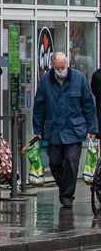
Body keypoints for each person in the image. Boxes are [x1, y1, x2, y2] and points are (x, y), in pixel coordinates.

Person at [32, 52, 96, 209]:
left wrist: (92, 128)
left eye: (63, 67)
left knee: (71, 162)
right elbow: (39, 106)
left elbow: (88, 104)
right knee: (54, 163)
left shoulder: (79, 79)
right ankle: (64, 187)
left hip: (75, 130)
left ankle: (67, 196)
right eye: (58, 68)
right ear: (52, 66)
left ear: (68, 65)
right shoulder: (46, 81)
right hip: (54, 131)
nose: (61, 70)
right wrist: (38, 129)